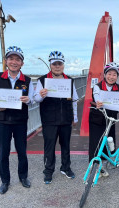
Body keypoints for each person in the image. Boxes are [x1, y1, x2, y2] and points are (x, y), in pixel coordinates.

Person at [0, 46, 34, 194]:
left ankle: (23, 177)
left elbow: (32, 99)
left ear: (22, 63)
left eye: (17, 59)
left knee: (22, 151)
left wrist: (28, 99)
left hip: (20, 121)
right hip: (2, 121)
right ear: (6, 61)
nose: (14, 62)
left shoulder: (27, 80)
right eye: (11, 58)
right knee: (4, 152)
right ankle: (5, 181)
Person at [34, 51, 78, 184]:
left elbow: (74, 99)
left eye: (59, 64)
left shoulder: (69, 80)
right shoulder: (43, 80)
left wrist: (74, 117)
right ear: (50, 65)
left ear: (63, 65)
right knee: (49, 146)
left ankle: (66, 167)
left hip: (65, 119)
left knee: (65, 145)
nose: (57, 66)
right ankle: (48, 171)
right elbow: (36, 99)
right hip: (49, 120)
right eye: (54, 64)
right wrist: (41, 94)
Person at [89, 62, 119, 178]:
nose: (111, 77)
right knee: (96, 143)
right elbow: (97, 97)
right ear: (105, 74)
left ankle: (103, 164)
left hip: (111, 119)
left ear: (117, 76)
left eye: (114, 74)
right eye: (109, 74)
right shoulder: (97, 86)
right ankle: (95, 166)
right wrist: (98, 102)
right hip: (97, 118)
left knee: (108, 141)